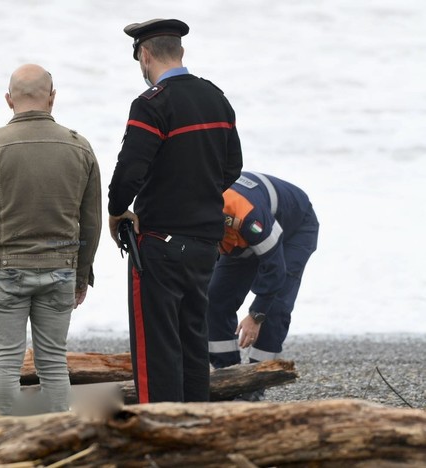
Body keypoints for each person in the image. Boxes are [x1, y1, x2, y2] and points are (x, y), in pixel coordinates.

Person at [0, 64, 101, 415]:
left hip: (6, 271)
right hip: (61, 268)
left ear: (8, 100)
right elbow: (91, 221)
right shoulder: (79, 147)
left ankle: (8, 437)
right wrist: (82, 274)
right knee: (53, 360)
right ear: (52, 98)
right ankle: (53, 439)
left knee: (5, 361)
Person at [108, 19, 243, 403]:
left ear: (145, 54)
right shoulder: (216, 97)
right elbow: (233, 166)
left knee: (157, 351)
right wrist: (196, 194)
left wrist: (117, 210)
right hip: (205, 241)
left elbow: (130, 171)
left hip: (161, 243)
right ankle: (194, 430)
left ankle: (160, 436)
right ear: (180, 51)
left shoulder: (152, 103)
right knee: (192, 342)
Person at [207, 172, 319, 400]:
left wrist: (256, 315)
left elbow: (275, 268)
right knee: (214, 300)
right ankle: (228, 374)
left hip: (294, 229)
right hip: (241, 235)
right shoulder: (196, 211)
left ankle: (256, 383)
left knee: (275, 308)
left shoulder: (247, 218)